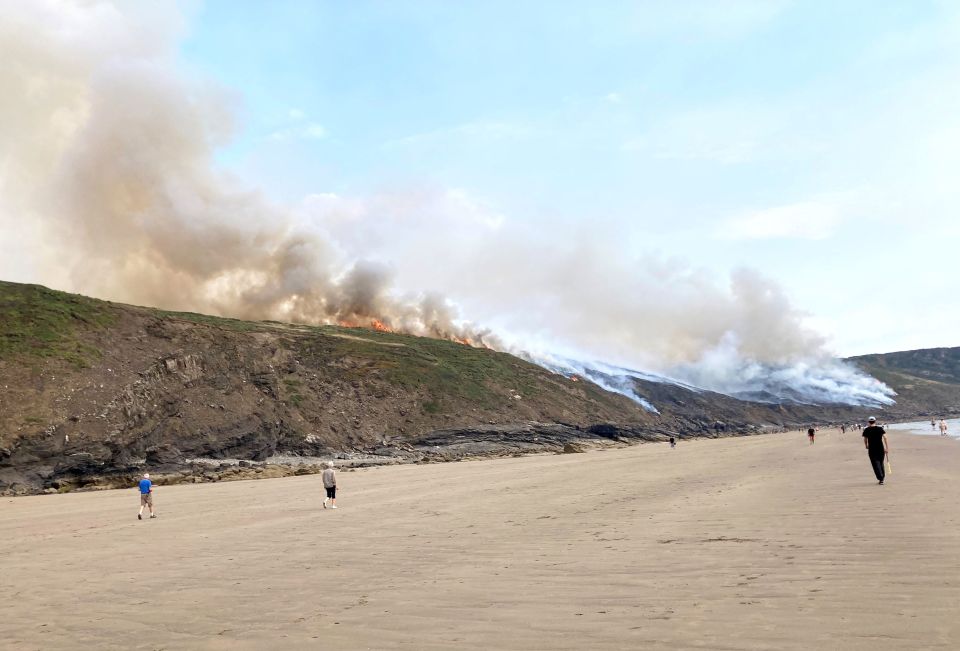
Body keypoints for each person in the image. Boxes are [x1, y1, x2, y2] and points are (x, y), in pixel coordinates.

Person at [862, 417, 889, 485]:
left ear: (869, 422)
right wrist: (886, 448)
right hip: (880, 448)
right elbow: (885, 438)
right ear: (875, 421)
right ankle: (882, 477)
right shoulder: (880, 429)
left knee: (875, 464)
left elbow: (865, 439)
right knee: (881, 463)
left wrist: (866, 445)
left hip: (872, 449)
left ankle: (881, 478)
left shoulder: (867, 430)